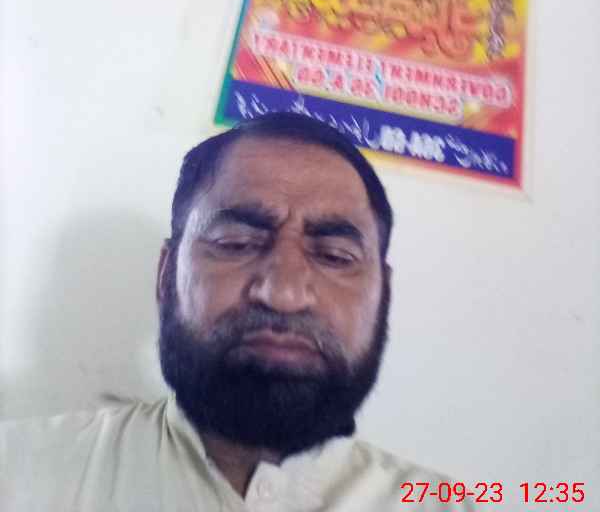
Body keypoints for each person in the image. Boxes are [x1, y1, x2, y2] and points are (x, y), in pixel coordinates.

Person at [0, 112, 474, 510]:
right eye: (236, 242)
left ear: (384, 294)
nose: (284, 293)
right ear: (166, 275)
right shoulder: (17, 470)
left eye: (334, 256)